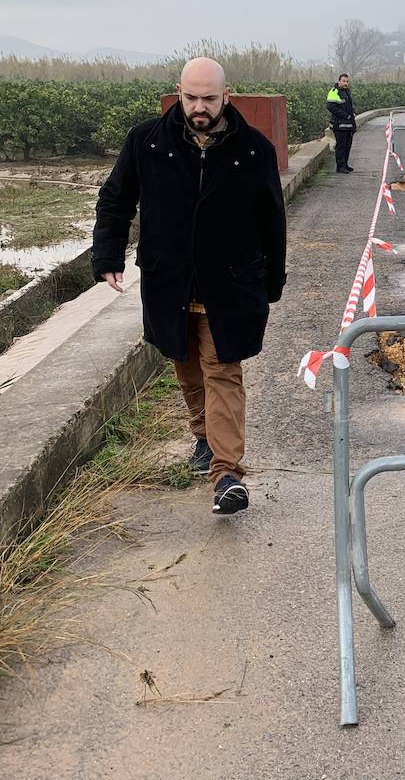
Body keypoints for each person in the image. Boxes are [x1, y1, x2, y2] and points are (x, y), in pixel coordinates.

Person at [90, 57, 287, 516]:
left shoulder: (253, 149)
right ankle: (203, 436)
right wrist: (107, 257)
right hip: (170, 282)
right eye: (191, 97)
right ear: (178, 91)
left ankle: (227, 475)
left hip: (231, 286)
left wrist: (271, 282)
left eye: (209, 98)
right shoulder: (147, 142)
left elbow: (272, 221)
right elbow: (115, 199)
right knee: (185, 367)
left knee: (222, 372)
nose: (200, 107)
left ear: (227, 96)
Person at [327, 73, 357, 173]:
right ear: (339, 81)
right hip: (339, 124)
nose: (345, 83)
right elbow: (331, 107)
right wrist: (345, 115)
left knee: (348, 145)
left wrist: (352, 113)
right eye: (344, 81)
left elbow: (348, 105)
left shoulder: (346, 91)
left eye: (347, 81)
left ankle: (345, 164)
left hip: (348, 124)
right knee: (341, 145)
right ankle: (340, 166)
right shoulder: (334, 91)